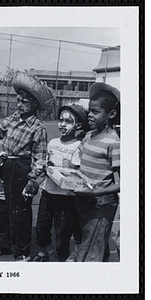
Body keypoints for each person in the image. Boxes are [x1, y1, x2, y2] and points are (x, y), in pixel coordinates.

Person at [0, 72, 55, 261]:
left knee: (19, 211)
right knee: (1, 207)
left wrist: (32, 182)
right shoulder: (13, 118)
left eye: (24, 102)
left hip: (21, 168)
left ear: (35, 104)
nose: (19, 104)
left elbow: (40, 159)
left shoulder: (37, 128)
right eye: (18, 100)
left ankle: (21, 250)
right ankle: (1, 244)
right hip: (6, 164)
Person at [33, 103, 89, 262]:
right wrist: (37, 178)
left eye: (68, 121)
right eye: (61, 120)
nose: (62, 124)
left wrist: (71, 167)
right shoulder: (53, 143)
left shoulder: (78, 146)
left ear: (77, 125)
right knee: (42, 227)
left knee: (62, 231)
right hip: (48, 193)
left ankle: (61, 258)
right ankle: (43, 253)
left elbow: (78, 172)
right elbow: (46, 167)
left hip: (66, 198)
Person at [73, 82, 120, 262]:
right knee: (94, 243)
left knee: (90, 252)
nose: (89, 116)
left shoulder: (113, 143)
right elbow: (80, 162)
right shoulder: (89, 135)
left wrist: (96, 191)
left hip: (101, 203)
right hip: (84, 200)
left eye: (95, 112)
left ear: (111, 114)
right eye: (89, 111)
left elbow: (124, 183)